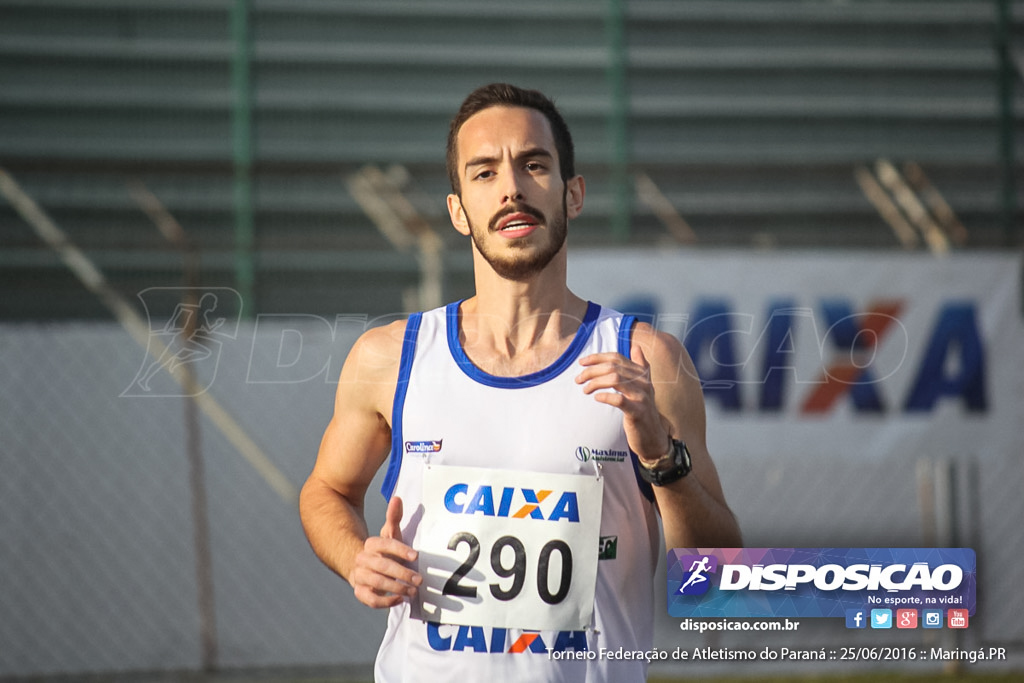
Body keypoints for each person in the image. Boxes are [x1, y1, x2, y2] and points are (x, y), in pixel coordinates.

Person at [299, 83, 742, 682]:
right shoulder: (391, 356)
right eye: (484, 173)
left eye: (534, 165)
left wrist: (662, 458)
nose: (511, 188)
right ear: (458, 211)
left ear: (573, 193)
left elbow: (712, 574)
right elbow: (326, 491)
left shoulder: (646, 360)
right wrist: (357, 559)